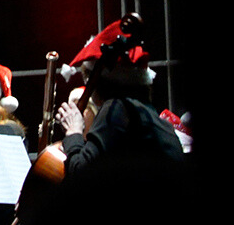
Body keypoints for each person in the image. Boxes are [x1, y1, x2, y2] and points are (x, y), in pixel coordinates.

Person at [52, 18, 183, 177]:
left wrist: (73, 133)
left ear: (99, 83)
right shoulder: (157, 121)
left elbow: (82, 175)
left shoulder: (116, 110)